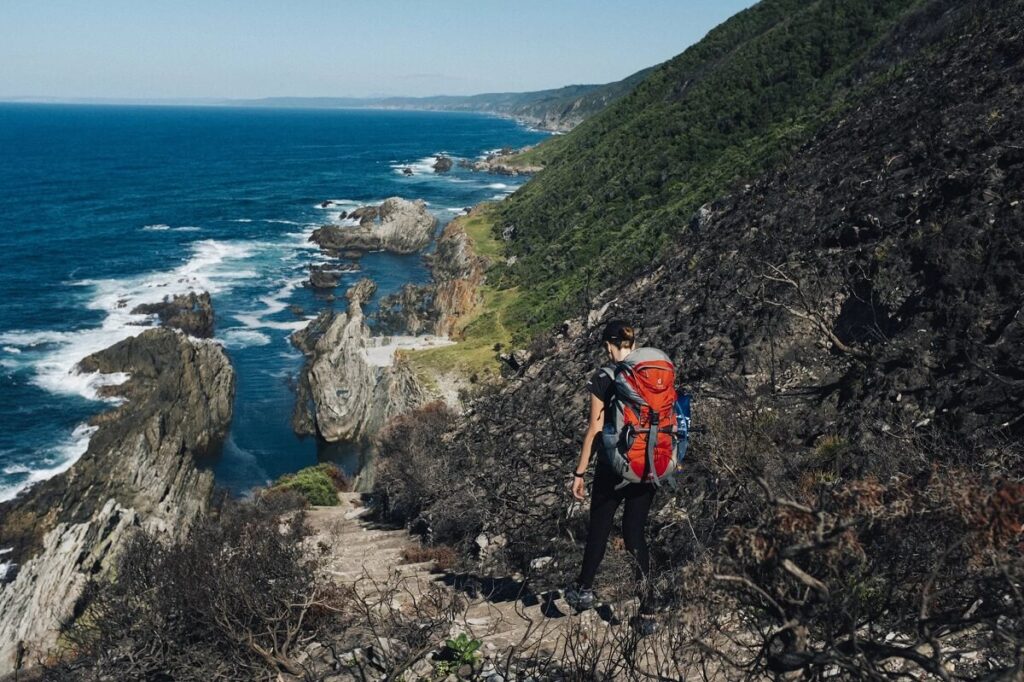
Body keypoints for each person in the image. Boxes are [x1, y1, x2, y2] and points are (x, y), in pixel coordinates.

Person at [564, 320, 658, 633]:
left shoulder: (605, 377)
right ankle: (647, 612)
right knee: (635, 535)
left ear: (608, 345)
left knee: (600, 528)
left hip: (612, 466)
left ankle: (583, 589)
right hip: (648, 464)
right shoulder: (653, 373)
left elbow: (594, 429)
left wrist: (579, 472)